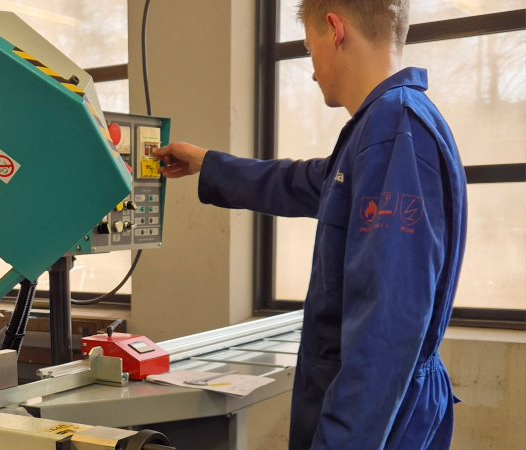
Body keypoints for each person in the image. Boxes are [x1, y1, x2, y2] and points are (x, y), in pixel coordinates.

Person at [153, 1, 467, 448]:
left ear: (335, 30)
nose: (313, 69)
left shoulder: (393, 129)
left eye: (308, 47)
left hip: (377, 421)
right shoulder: (385, 125)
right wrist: (208, 163)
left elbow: (385, 333)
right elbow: (302, 182)